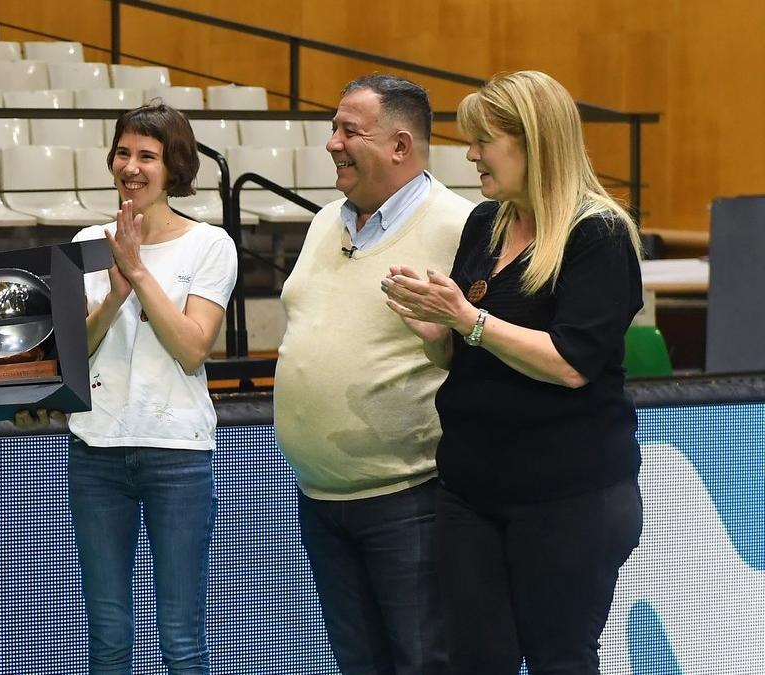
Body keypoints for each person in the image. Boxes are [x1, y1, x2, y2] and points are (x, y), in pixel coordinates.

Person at [381, 70, 643, 674]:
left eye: (483, 140)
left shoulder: (598, 234)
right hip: (471, 490)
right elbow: (465, 351)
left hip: (569, 496)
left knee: (558, 658)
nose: (470, 154)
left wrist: (468, 321)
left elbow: (574, 363)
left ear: (534, 142)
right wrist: (436, 332)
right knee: (476, 659)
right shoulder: (486, 222)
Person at [272, 74, 473, 675]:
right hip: (321, 496)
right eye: (333, 128)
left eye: (348, 130)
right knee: (359, 664)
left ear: (400, 146)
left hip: (410, 498)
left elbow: (483, 351)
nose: (332, 142)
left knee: (422, 662)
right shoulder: (324, 221)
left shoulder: (463, 227)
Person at [64, 103, 237, 675]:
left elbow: (192, 346)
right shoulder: (89, 241)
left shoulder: (211, 245)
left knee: (181, 638)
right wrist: (112, 296)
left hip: (178, 457)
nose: (131, 167)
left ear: (174, 166)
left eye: (148, 156)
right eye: (123, 153)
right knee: (108, 636)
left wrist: (136, 273)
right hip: (97, 455)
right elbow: (74, 352)